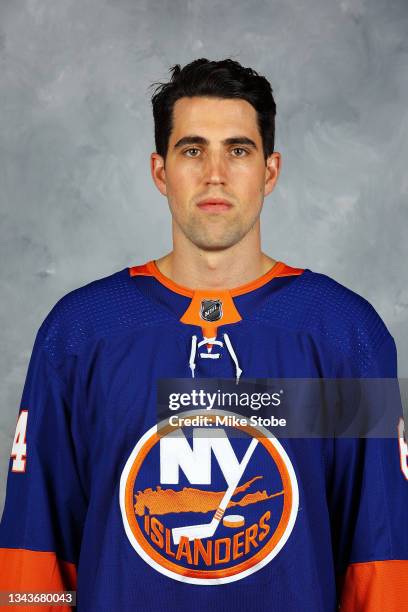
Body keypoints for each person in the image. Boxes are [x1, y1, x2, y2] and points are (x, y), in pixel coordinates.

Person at [0, 58, 407, 611]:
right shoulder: (80, 335)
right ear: (160, 171)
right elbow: (33, 556)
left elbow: (379, 561)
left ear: (270, 170)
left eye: (238, 150)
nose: (215, 173)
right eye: (192, 150)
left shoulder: (342, 335)